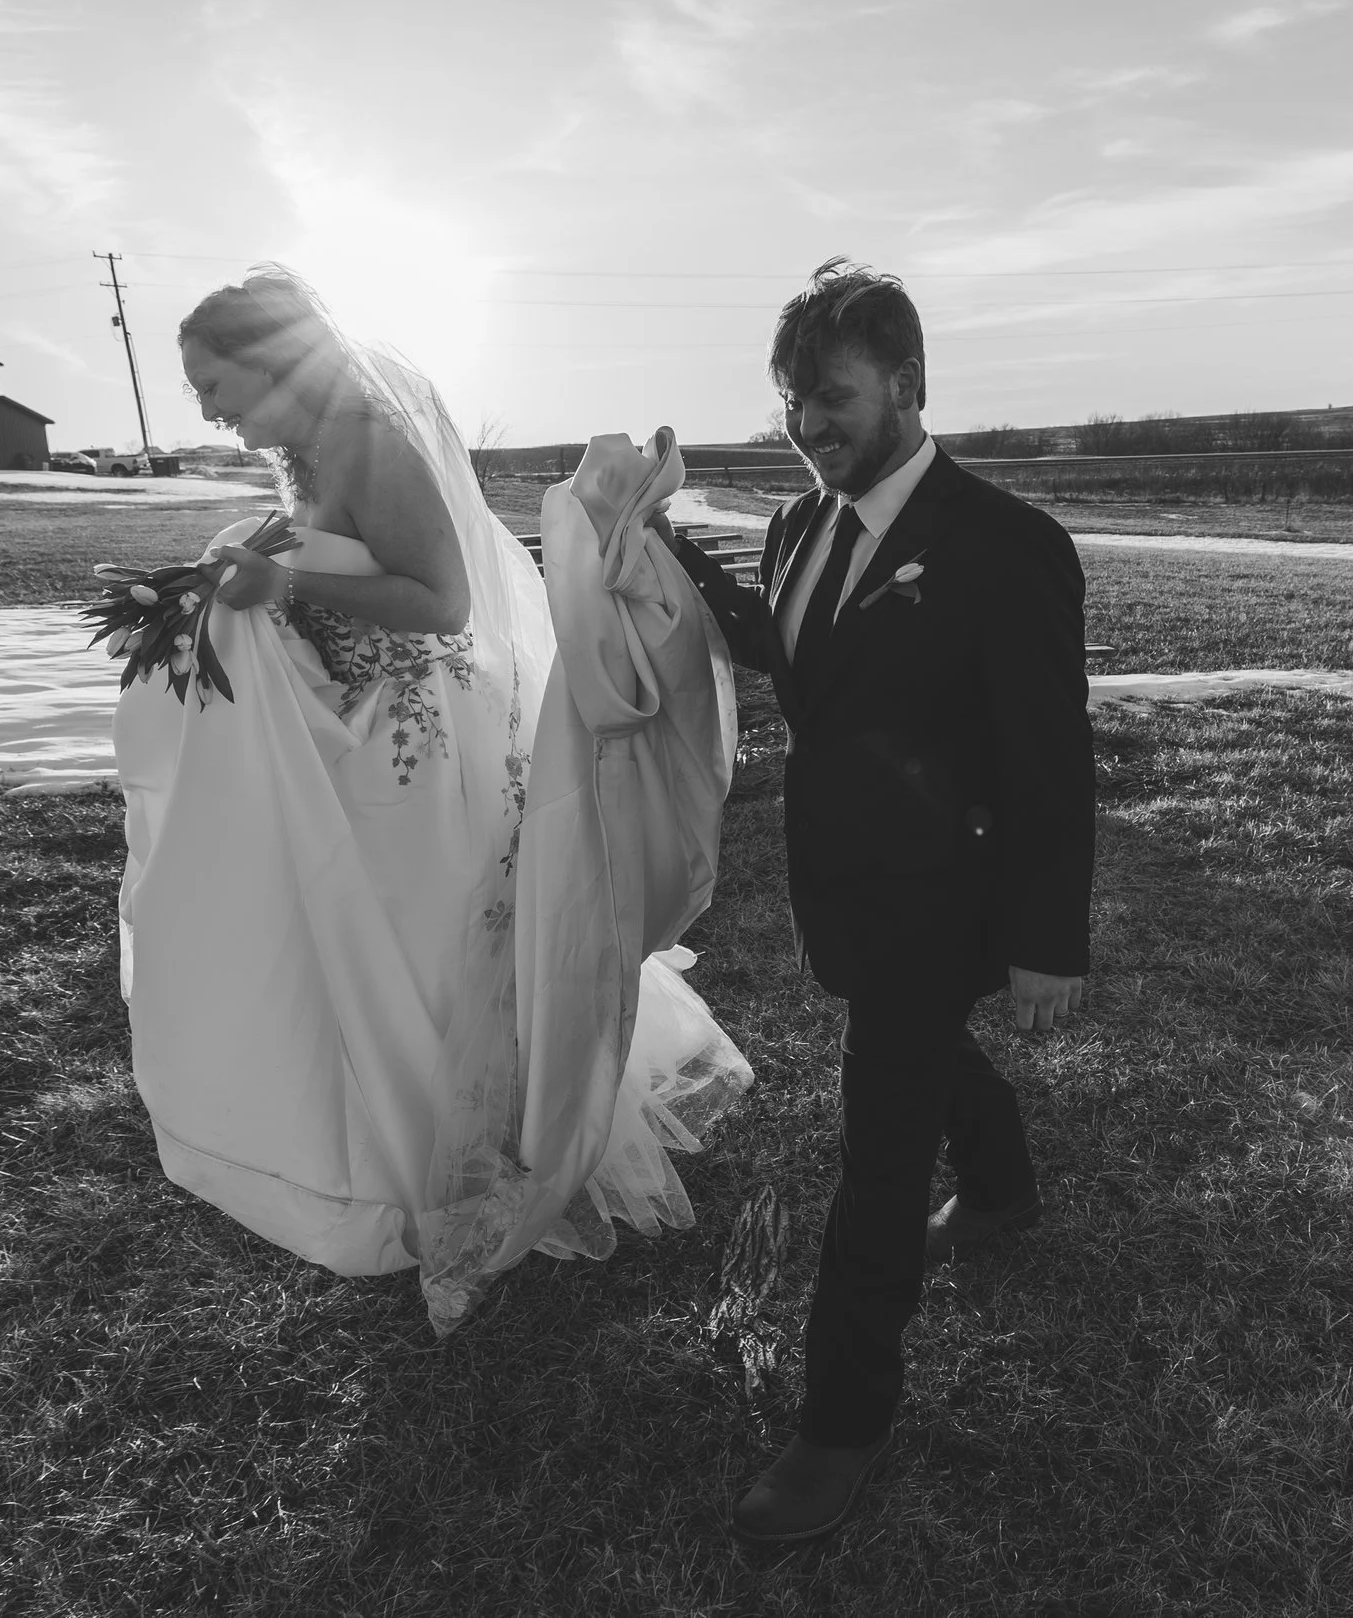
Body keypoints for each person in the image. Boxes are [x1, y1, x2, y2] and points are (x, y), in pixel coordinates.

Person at [112, 268, 748, 1334]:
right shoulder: (314, 439)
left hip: (419, 742)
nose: (208, 410)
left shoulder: (365, 429)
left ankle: (486, 1148)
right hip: (375, 727)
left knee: (429, 939)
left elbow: (442, 599)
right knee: (398, 942)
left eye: (213, 383)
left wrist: (287, 585)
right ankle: (423, 1148)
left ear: (272, 360)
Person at [666, 260, 1096, 1543]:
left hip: (942, 892)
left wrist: (1042, 943)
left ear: (908, 384)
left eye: (832, 396)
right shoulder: (803, 525)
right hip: (841, 886)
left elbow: (1048, 762)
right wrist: (661, 553)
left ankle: (838, 1420)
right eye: (791, 398)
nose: (808, 424)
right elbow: (801, 658)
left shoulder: (1008, 545)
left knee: (877, 1147)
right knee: (904, 1048)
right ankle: (1007, 1181)